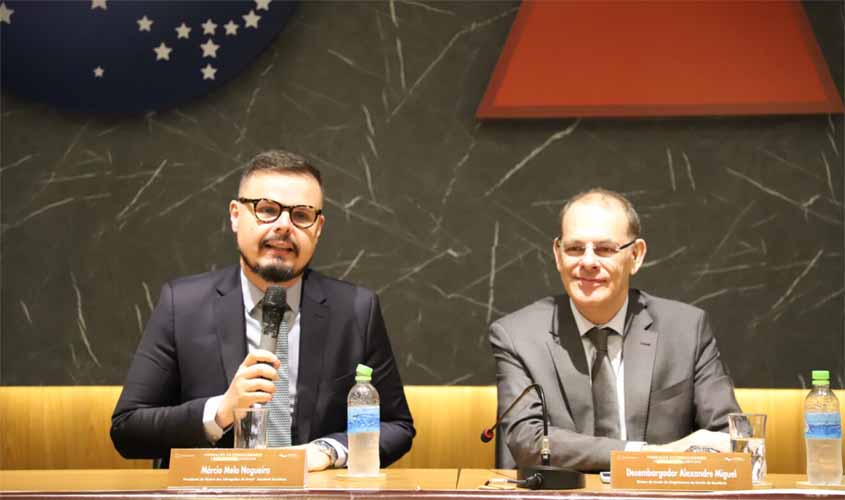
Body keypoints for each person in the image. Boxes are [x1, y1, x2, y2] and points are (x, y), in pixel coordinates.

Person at [111, 150, 415, 470]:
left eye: (301, 215)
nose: (284, 226)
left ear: (319, 227)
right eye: (267, 210)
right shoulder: (182, 304)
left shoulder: (356, 309)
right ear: (235, 215)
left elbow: (396, 426)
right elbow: (128, 430)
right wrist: (221, 411)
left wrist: (327, 451)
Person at [489, 188, 740, 472]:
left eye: (605, 249)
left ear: (636, 255)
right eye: (574, 248)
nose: (588, 262)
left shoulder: (686, 330)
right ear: (558, 255)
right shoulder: (517, 336)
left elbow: (727, 438)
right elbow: (529, 442)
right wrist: (646, 455)